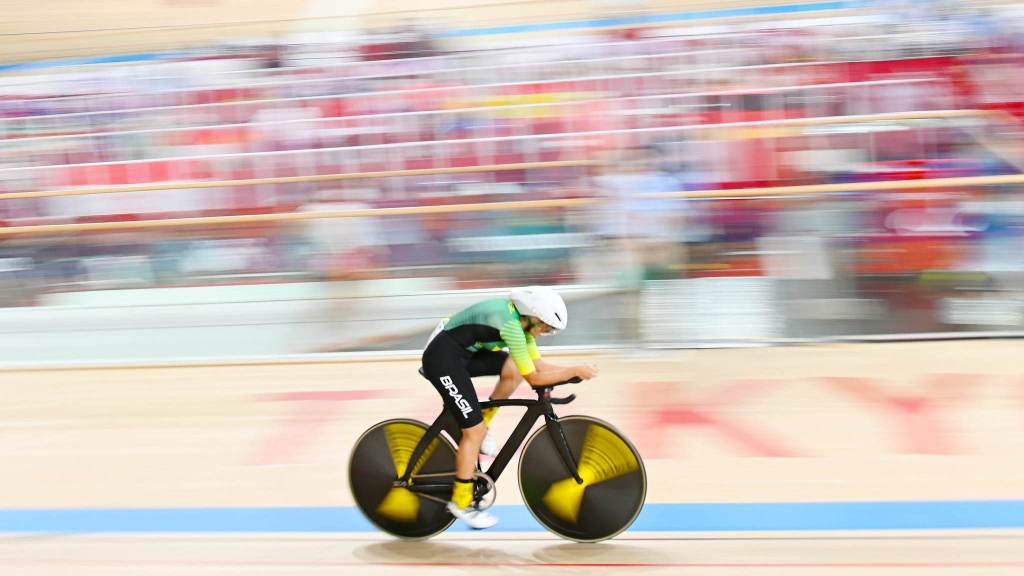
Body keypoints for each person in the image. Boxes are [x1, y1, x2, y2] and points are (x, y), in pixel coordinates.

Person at [420, 285, 598, 529]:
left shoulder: (524, 326)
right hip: (442, 359)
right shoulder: (512, 327)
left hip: (463, 354)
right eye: (547, 327)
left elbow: (536, 364)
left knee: (513, 368)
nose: (546, 332)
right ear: (533, 317)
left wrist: (571, 371)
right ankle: (460, 502)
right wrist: (572, 372)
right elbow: (534, 378)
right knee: (473, 431)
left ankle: (485, 418)